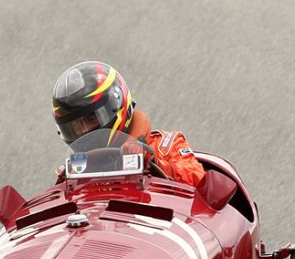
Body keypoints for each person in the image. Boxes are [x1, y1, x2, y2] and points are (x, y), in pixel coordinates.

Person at [52, 61, 205, 187]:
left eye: (92, 119)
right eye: (75, 127)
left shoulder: (164, 146)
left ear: (117, 105)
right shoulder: (72, 174)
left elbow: (199, 180)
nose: (85, 131)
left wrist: (156, 165)